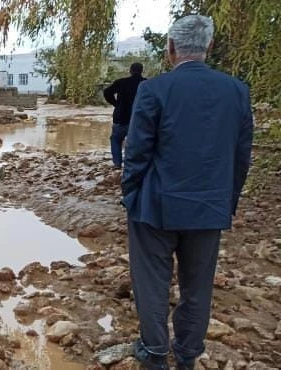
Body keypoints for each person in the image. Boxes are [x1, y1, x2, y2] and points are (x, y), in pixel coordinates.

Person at [121, 15, 253, 370]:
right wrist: (228, 202)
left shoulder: (154, 89)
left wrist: (130, 196)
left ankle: (154, 353)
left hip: (155, 207)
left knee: (152, 285)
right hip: (209, 207)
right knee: (198, 287)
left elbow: (137, 152)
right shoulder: (237, 91)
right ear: (209, 46)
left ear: (170, 48)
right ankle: (187, 356)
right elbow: (241, 157)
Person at [104, 63, 146, 168]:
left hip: (121, 117)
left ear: (130, 70)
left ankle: (117, 163)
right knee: (137, 143)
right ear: (142, 71)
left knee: (116, 140)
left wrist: (116, 104)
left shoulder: (121, 82)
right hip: (139, 119)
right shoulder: (146, 83)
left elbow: (107, 92)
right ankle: (133, 164)